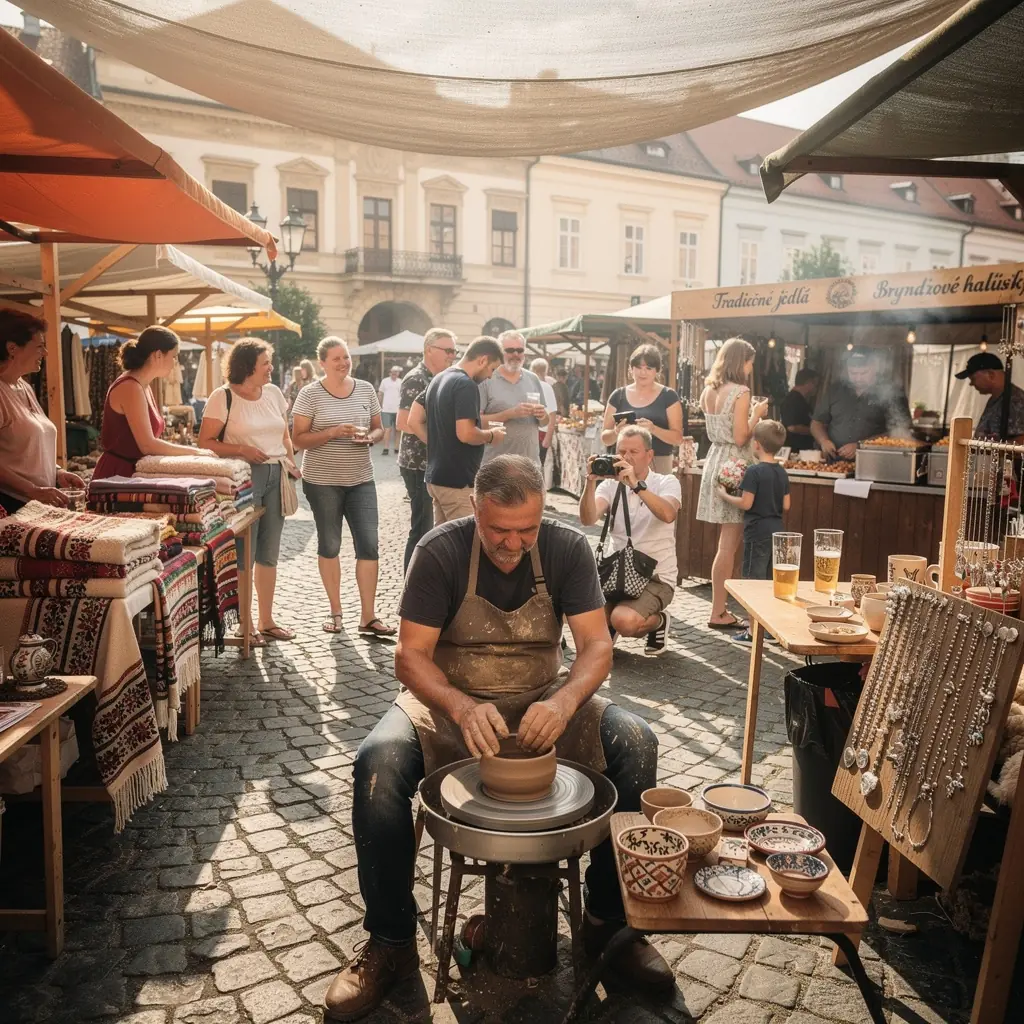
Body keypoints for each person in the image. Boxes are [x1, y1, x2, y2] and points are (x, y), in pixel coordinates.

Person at [324, 455, 666, 1022]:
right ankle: (390, 943)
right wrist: (459, 704)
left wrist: (562, 701)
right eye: (499, 530)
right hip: (449, 701)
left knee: (638, 743)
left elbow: (597, 647)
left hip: (541, 697)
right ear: (476, 513)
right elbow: (409, 657)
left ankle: (608, 925)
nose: (513, 543)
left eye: (526, 530)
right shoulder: (440, 549)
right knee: (375, 766)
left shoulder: (566, 548)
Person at [291, 337, 394, 637]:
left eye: (346, 357)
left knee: (369, 546)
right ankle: (336, 613)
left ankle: (368, 617)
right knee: (330, 545)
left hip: (361, 478)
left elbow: (379, 427)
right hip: (322, 482)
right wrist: (333, 432)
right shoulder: (309, 394)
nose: (343, 363)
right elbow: (298, 439)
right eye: (336, 358)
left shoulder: (364, 389)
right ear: (322, 362)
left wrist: (371, 438)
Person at [199, 339, 299, 644]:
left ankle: (267, 620)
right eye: (265, 363)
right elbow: (205, 442)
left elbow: (284, 434)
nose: (271, 368)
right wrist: (242, 449)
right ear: (247, 367)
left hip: (276, 473)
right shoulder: (223, 397)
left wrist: (293, 466)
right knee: (245, 553)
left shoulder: (273, 393)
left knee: (269, 552)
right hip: (243, 480)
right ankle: (246, 624)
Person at [579, 426, 680, 655]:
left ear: (650, 455)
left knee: (623, 620)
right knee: (583, 615)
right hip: (618, 573)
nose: (626, 457)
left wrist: (635, 484)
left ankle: (659, 622)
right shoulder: (610, 484)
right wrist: (590, 481)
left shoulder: (666, 482)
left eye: (633, 451)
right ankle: (611, 621)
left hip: (656, 576)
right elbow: (587, 519)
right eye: (621, 451)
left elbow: (668, 514)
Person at [697, 338, 768, 629]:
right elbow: (741, 437)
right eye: (750, 362)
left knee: (724, 545)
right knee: (728, 545)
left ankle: (719, 608)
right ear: (741, 362)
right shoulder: (741, 392)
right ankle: (719, 611)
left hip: (715, 460)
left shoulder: (707, 391)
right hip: (736, 464)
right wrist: (757, 415)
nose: (751, 368)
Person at [93, 325, 213, 480]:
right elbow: (147, 445)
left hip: (132, 473)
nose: (175, 362)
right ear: (158, 355)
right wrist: (196, 452)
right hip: (118, 475)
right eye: (174, 356)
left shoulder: (143, 385)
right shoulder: (131, 387)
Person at [411, 336, 506, 524]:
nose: (489, 376)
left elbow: (413, 420)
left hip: (437, 477)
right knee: (466, 544)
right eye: (492, 369)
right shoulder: (465, 384)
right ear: (482, 359)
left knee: (444, 543)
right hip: (458, 481)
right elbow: (466, 433)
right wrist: (491, 436)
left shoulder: (439, 378)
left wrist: (440, 445)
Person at [0, 310, 84, 512]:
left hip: (35, 504)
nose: (45, 353)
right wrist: (32, 490)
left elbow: (27, 452)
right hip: (12, 507)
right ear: (12, 348)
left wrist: (57, 473)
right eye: (39, 346)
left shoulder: (24, 387)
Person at [716, 419, 791, 643]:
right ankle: (768, 629)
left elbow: (746, 503)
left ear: (756, 444)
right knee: (769, 580)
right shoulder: (782, 472)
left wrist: (724, 495)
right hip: (776, 530)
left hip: (756, 530)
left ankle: (752, 631)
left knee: (752, 581)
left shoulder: (754, 472)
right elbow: (786, 505)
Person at [396, 328, 458, 570]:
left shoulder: (441, 377)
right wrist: (440, 437)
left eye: (455, 350)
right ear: (429, 350)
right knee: (421, 526)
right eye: (448, 350)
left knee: (432, 525)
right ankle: (411, 581)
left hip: (432, 462)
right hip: (417, 463)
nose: (452, 355)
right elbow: (403, 421)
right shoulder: (416, 378)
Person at [811, 348, 911, 459]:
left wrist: (862, 445)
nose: (858, 378)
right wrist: (824, 441)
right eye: (853, 373)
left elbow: (901, 431)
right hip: (835, 461)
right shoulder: (835, 390)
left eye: (863, 373)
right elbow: (817, 423)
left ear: (874, 368)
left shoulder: (891, 393)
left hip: (874, 461)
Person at [601, 343, 683, 474]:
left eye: (649, 368)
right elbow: (605, 438)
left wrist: (653, 429)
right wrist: (616, 432)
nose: (643, 372)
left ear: (657, 370)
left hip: (659, 462)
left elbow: (678, 438)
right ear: (631, 369)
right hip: (624, 462)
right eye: (638, 367)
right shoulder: (618, 396)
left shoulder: (668, 396)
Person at [478, 330, 548, 466]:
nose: (515, 354)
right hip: (495, 465)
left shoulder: (532, 378)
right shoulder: (487, 378)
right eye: (510, 350)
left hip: (530, 464)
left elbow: (545, 422)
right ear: (499, 352)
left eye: (519, 350)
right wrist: (509, 414)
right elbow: (477, 422)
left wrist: (541, 415)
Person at [955, 352, 1024, 441]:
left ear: (991, 375)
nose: (971, 384)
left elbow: (1021, 441)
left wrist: (996, 450)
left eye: (973, 378)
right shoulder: (995, 399)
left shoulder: (1016, 400)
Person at [780, 368, 819, 453]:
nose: (816, 389)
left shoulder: (801, 400)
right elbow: (792, 427)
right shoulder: (793, 400)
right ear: (809, 383)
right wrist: (815, 431)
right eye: (816, 385)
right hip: (794, 449)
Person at [529, 356, 559, 466]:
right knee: (537, 466)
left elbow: (552, 413)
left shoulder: (529, 385)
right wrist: (548, 437)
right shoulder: (547, 387)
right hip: (541, 433)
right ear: (545, 371)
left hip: (534, 432)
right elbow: (553, 414)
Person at [378, 365, 403, 455]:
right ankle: (386, 448)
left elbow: (403, 395)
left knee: (398, 430)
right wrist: (380, 405)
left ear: (398, 373)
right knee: (387, 429)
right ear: (390, 372)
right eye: (393, 372)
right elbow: (380, 393)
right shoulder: (384, 381)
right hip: (386, 409)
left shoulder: (401, 382)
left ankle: (396, 448)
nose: (394, 374)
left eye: (396, 372)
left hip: (397, 409)